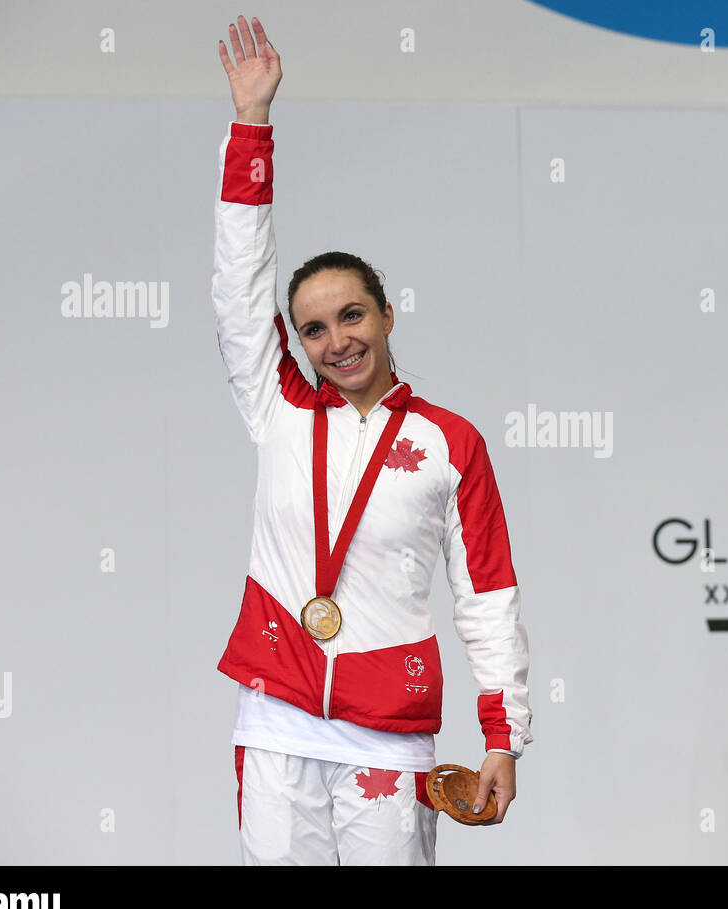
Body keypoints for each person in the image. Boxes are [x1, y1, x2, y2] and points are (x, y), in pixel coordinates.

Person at [213, 15, 532, 865]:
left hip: (390, 736)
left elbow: (487, 595)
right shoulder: (277, 405)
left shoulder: (448, 443)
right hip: (277, 717)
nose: (336, 340)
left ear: (387, 316)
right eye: (313, 328)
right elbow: (238, 289)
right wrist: (253, 126)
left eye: (352, 315)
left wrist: (503, 733)